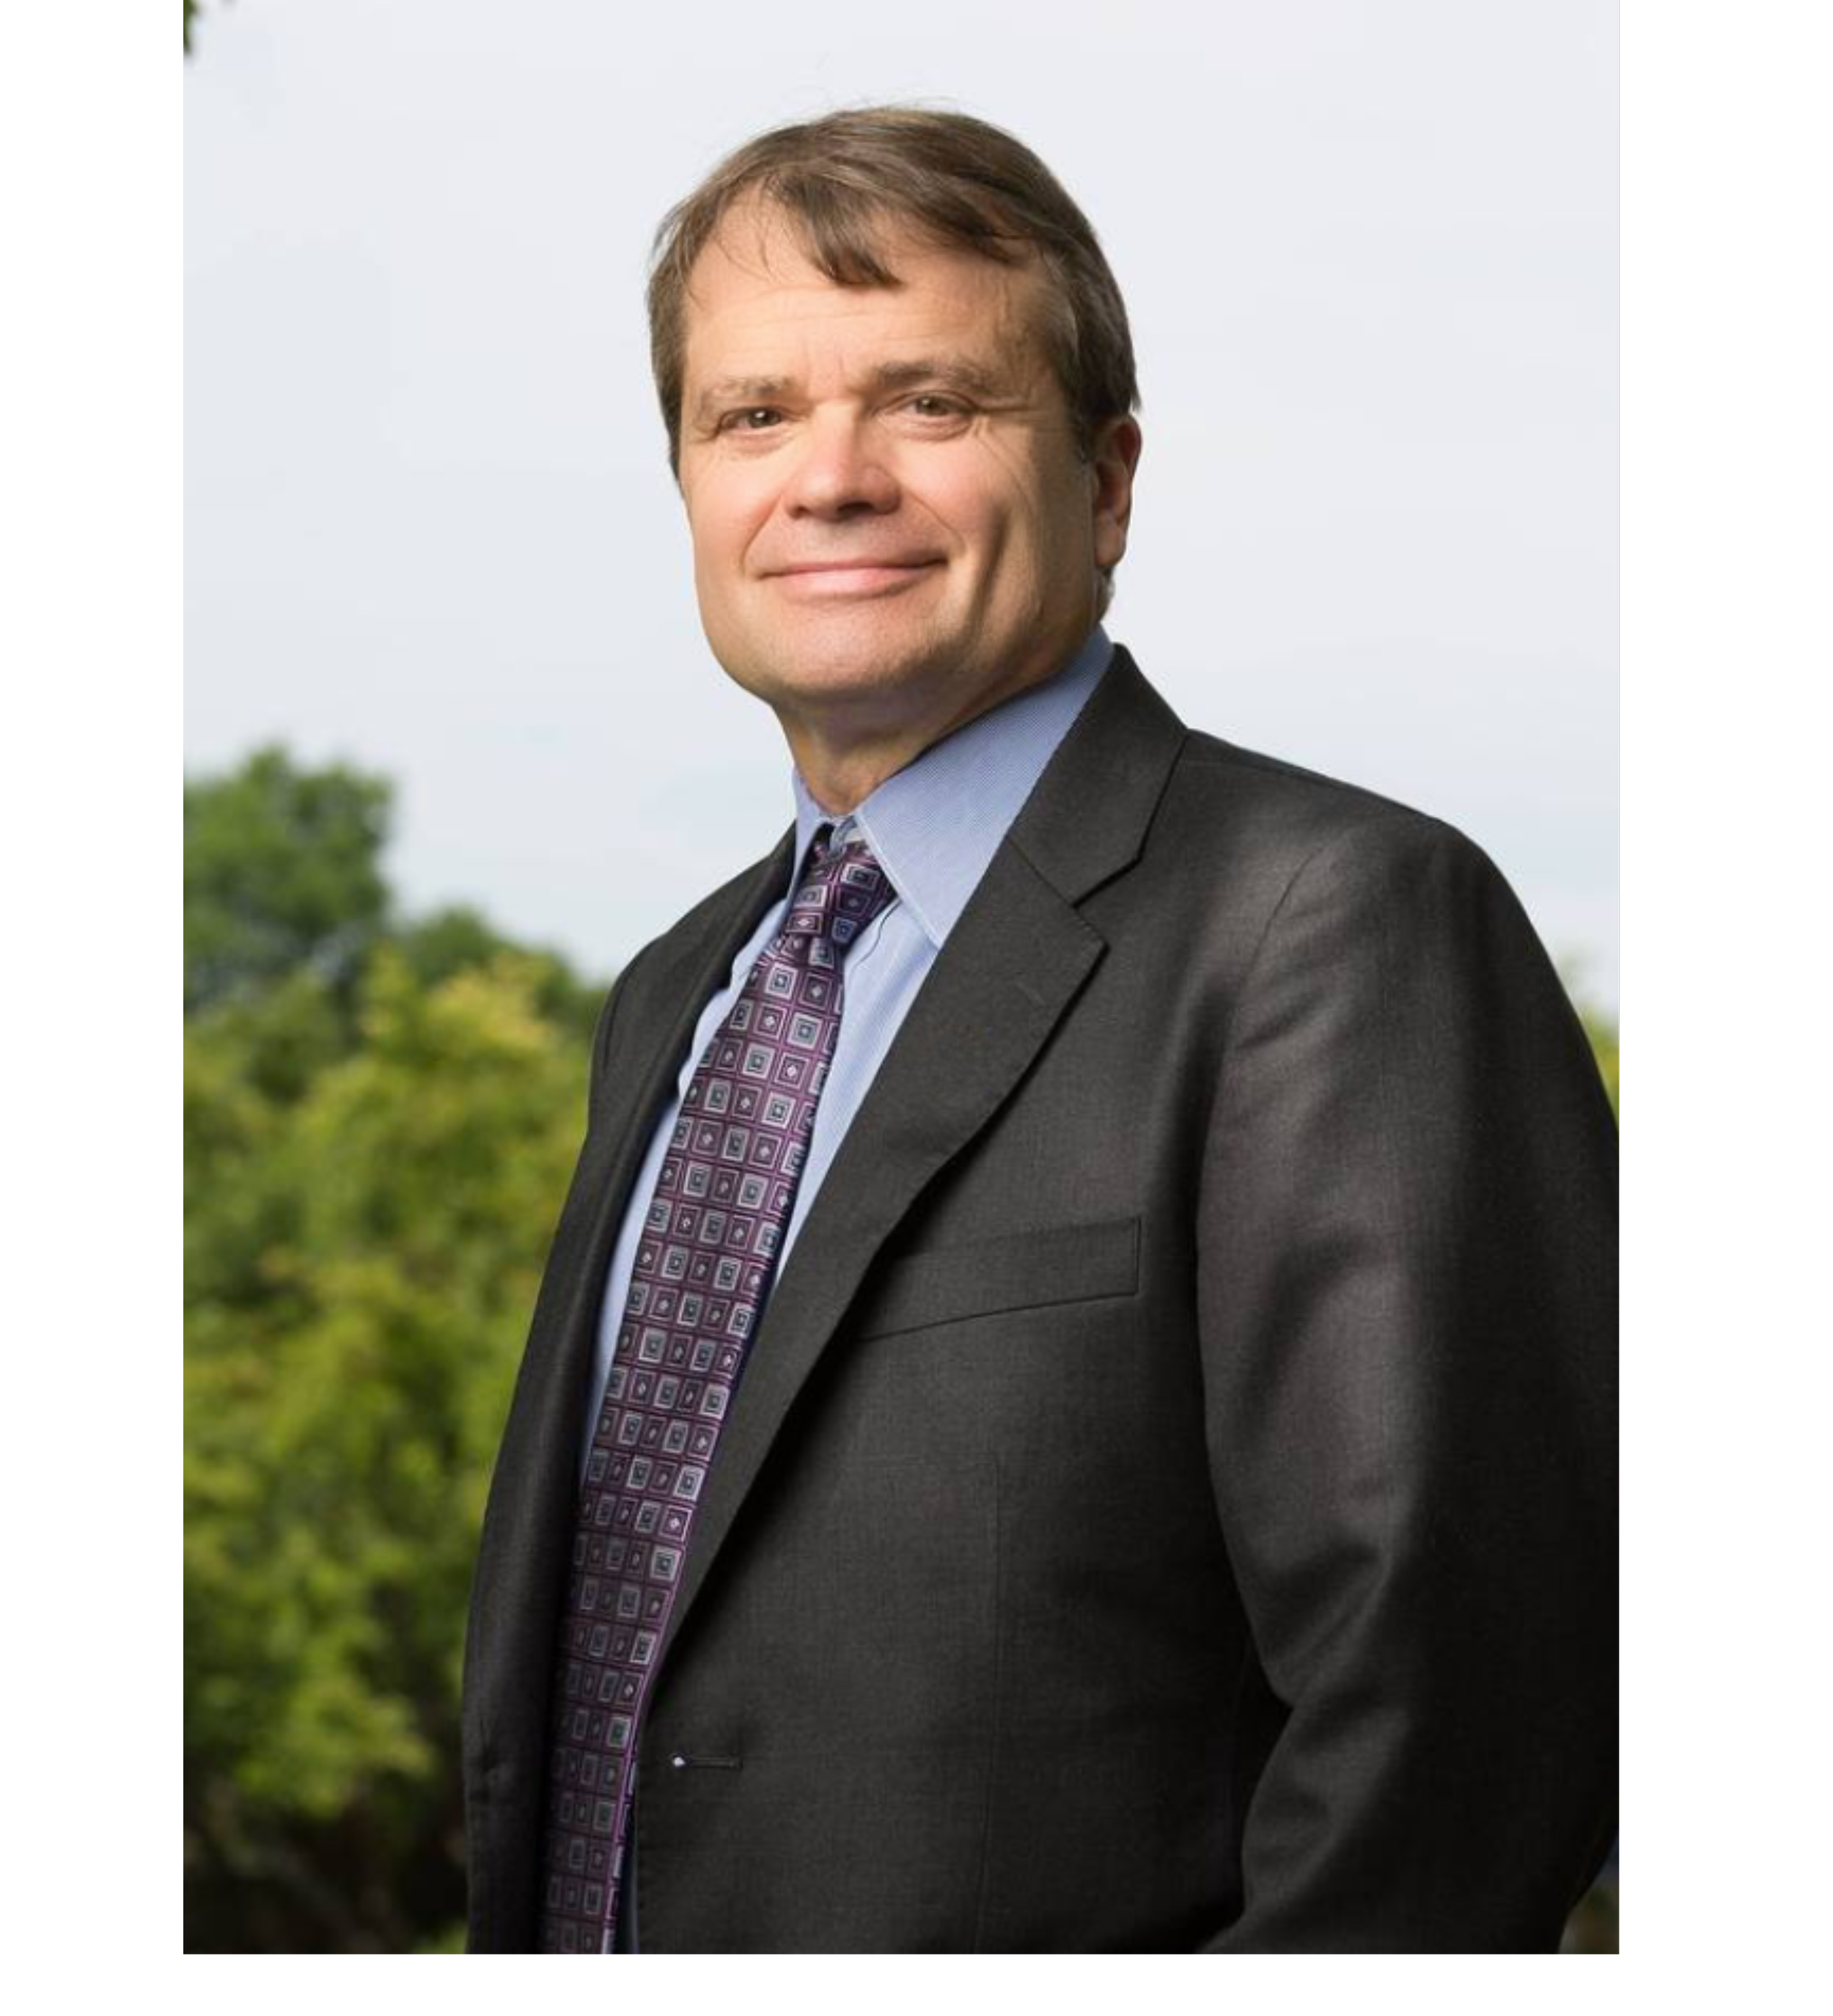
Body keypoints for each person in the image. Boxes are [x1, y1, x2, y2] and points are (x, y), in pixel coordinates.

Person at [460, 105, 1618, 1956]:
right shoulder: (677, 996)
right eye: (751, 414)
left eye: (929, 401)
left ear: (1106, 480)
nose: (827, 477)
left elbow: (1461, 1732)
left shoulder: (1327, 926)